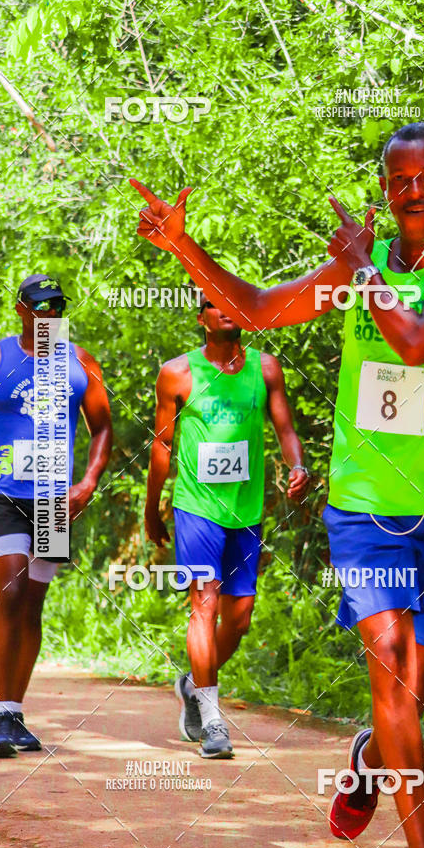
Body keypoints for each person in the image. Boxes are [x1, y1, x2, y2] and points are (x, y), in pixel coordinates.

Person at [130, 120, 424, 848]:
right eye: (397, 178)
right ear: (383, 188)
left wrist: (362, 269)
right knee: (393, 672)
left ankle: (369, 763)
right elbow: (262, 309)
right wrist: (183, 248)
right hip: (367, 506)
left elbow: (414, 341)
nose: (411, 190)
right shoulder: (357, 266)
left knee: (409, 697)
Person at [144, 294, 309, 758]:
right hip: (196, 506)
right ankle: (214, 721)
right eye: (216, 306)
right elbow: (162, 446)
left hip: (246, 509)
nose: (228, 310)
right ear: (201, 320)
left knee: (239, 619)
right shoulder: (178, 373)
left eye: (233, 304)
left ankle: (193, 684)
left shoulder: (266, 368)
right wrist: (152, 507)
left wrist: (297, 465)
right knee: (205, 604)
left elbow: (285, 428)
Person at [0, 275, 112, 758]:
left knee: (32, 604)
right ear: (21, 309)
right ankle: (1, 715)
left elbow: (103, 426)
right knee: (11, 589)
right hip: (0, 492)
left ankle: (14, 711)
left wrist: (87, 481)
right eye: (40, 305)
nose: (49, 313)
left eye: (57, 305)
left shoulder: (79, 361)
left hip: (53, 499)